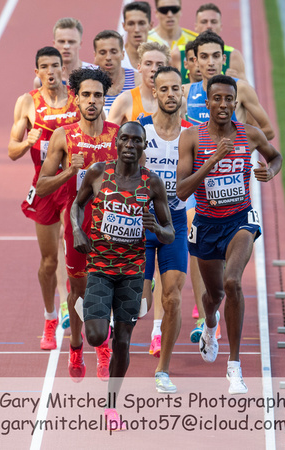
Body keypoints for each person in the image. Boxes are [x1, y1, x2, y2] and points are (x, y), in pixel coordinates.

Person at [176, 75, 282, 394]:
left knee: (232, 282)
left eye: (228, 99)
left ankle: (234, 367)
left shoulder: (249, 135)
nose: (223, 104)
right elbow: (181, 191)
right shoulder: (191, 138)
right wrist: (211, 161)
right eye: (217, 99)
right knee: (214, 297)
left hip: (241, 220)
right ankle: (210, 324)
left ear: (236, 103)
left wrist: (270, 171)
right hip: (207, 225)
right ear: (207, 103)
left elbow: (275, 157)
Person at [70, 121, 175, 426]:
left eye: (136, 141)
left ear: (144, 147)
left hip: (131, 271)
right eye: (125, 139)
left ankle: (112, 405)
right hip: (101, 267)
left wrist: (157, 228)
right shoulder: (98, 173)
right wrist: (78, 229)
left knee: (124, 343)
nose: (130, 145)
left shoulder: (152, 183)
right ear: (116, 143)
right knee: (96, 336)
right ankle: (98, 317)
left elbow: (169, 233)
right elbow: (77, 207)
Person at [36, 68, 119, 381]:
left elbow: (137, 177)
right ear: (76, 97)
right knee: (79, 293)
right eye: (86, 95)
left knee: (107, 289)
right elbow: (41, 186)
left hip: (113, 225)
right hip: (77, 226)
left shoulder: (117, 133)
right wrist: (69, 173)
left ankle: (102, 346)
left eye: (98, 95)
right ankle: (75, 342)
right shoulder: (63, 136)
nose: (92, 100)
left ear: (104, 98)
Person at [8, 47, 80, 350]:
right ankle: (50, 317)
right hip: (44, 187)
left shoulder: (78, 99)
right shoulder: (27, 102)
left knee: (73, 251)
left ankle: (83, 312)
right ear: (36, 72)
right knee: (49, 261)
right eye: (44, 67)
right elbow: (11, 150)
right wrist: (27, 142)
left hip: (73, 185)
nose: (51, 71)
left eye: (56, 65)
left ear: (63, 68)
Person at [139, 66, 192, 393]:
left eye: (176, 89)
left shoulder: (192, 134)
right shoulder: (140, 129)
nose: (171, 94)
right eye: (165, 89)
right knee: (139, 306)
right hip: (140, 228)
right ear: (155, 93)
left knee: (172, 299)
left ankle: (163, 369)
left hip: (175, 227)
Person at [185, 31, 274, 139]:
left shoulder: (241, 88)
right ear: (196, 61)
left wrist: (239, 147)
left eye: (216, 56)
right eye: (204, 57)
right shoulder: (185, 91)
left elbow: (268, 131)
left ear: (223, 59)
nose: (211, 62)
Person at [107, 41, 171, 124]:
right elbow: (108, 135)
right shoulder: (125, 100)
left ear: (167, 69)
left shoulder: (175, 101)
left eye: (159, 65)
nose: (154, 69)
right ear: (139, 67)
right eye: (148, 64)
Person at [34, 18, 96, 88]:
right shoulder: (42, 80)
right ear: (54, 44)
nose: (66, 46)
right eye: (61, 41)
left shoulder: (95, 73)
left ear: (80, 44)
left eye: (71, 42)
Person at [195, 3, 247, 80]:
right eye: (204, 22)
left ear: (221, 26)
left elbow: (247, 89)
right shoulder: (181, 53)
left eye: (214, 22)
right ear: (196, 26)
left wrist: (236, 82)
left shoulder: (233, 55)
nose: (209, 26)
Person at [93, 30, 137, 117]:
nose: (108, 57)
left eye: (113, 52)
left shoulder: (137, 80)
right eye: (103, 53)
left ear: (122, 54)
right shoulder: (88, 83)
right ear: (95, 56)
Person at [122, 2, 152, 72]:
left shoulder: (161, 58)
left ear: (150, 25)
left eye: (141, 23)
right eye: (131, 24)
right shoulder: (116, 59)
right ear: (124, 26)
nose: (136, 30)